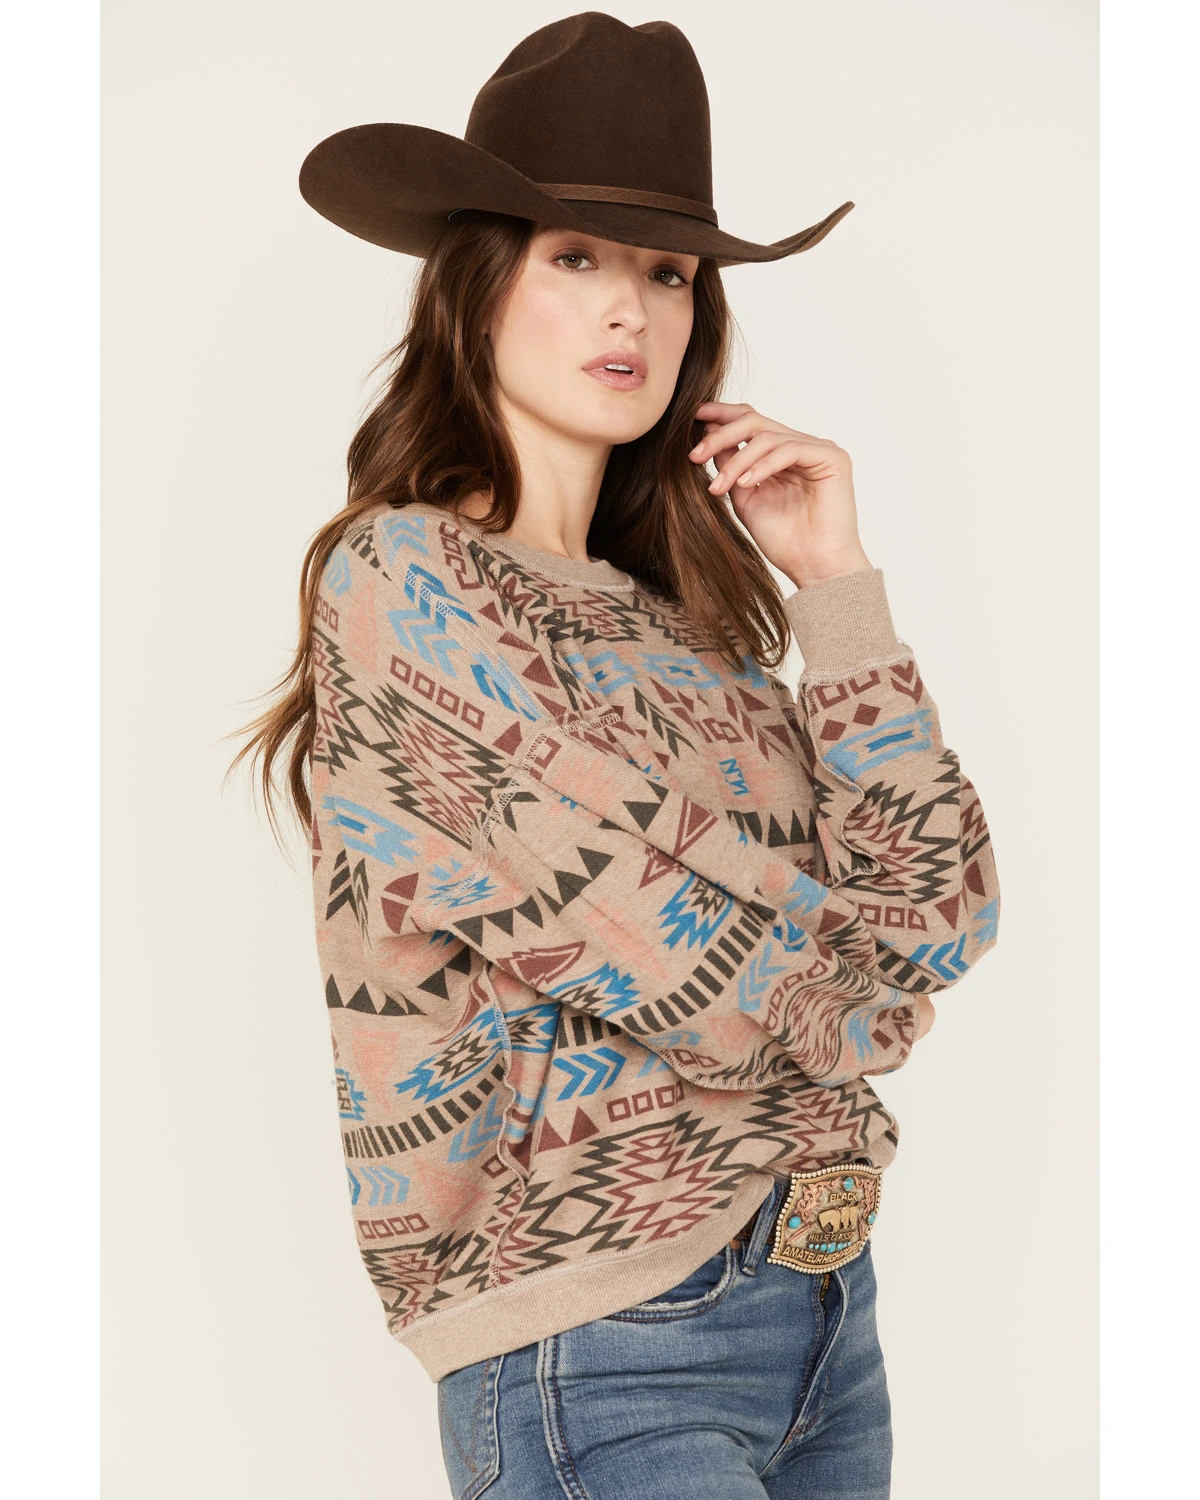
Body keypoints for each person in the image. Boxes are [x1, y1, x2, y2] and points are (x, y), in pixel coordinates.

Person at [229, 13, 1000, 1498]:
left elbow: (937, 909)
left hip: (829, 1314)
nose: (630, 311)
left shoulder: (697, 636)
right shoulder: (402, 581)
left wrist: (834, 589)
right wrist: (858, 989)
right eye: (576, 257)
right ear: (474, 284)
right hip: (596, 1338)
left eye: (667, 273)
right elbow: (663, 945)